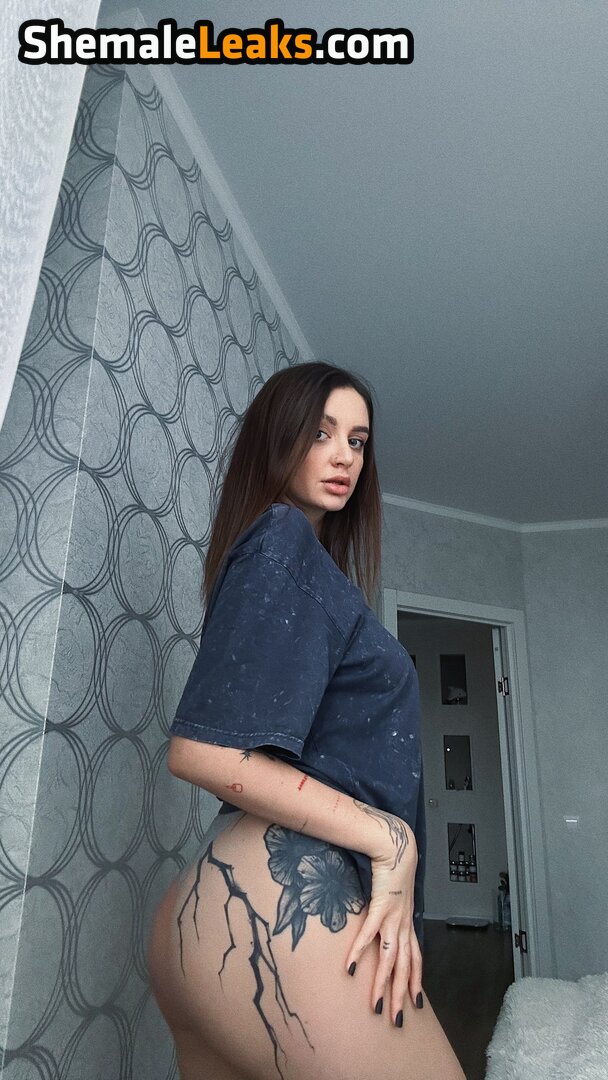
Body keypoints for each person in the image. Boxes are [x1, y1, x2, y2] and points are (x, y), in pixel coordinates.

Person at [146, 362, 465, 1080]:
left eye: (357, 440)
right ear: (278, 438)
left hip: (214, 912)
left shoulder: (298, 566)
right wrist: (392, 840)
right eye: (321, 433)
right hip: (276, 910)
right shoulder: (283, 539)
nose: (344, 455)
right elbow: (201, 751)